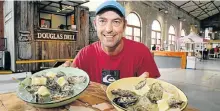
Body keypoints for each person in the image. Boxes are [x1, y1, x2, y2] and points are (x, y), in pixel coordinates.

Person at [63, 1, 160, 85]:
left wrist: (143, 89)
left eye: (116, 22)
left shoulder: (141, 52)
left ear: (124, 25)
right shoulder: (84, 55)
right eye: (102, 21)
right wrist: (65, 78)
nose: (108, 29)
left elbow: (153, 93)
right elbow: (73, 85)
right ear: (95, 24)